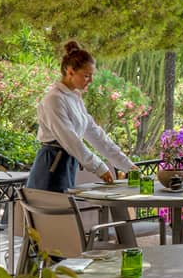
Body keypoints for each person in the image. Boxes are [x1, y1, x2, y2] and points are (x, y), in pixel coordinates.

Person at [25, 40, 136, 192]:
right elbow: (70, 140)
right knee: (53, 214)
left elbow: (96, 135)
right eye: (86, 76)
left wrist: (127, 165)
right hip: (51, 167)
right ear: (70, 71)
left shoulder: (75, 98)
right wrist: (98, 167)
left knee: (65, 214)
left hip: (67, 164)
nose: (90, 80)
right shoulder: (54, 99)